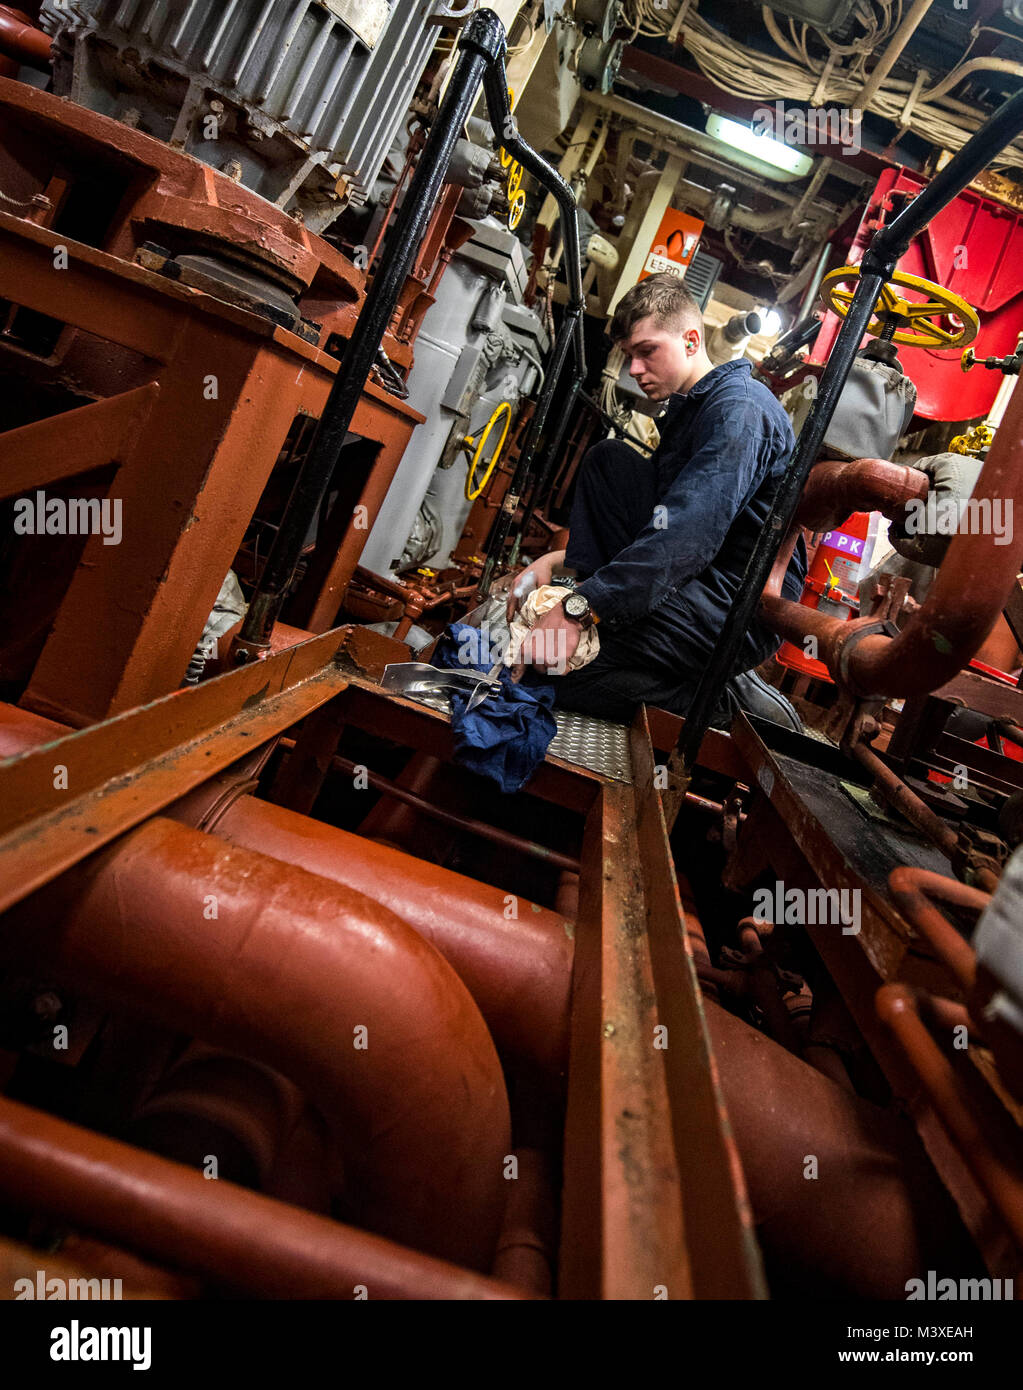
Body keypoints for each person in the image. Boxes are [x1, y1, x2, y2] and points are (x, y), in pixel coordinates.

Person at [506, 273, 808, 723]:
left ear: (691, 340)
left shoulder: (739, 410)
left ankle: (720, 709)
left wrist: (576, 611)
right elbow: (655, 528)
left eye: (647, 351)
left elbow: (686, 536)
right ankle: (641, 648)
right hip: (695, 581)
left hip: (729, 610)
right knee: (609, 459)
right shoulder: (693, 411)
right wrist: (559, 567)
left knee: (547, 672)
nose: (634, 369)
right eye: (630, 355)